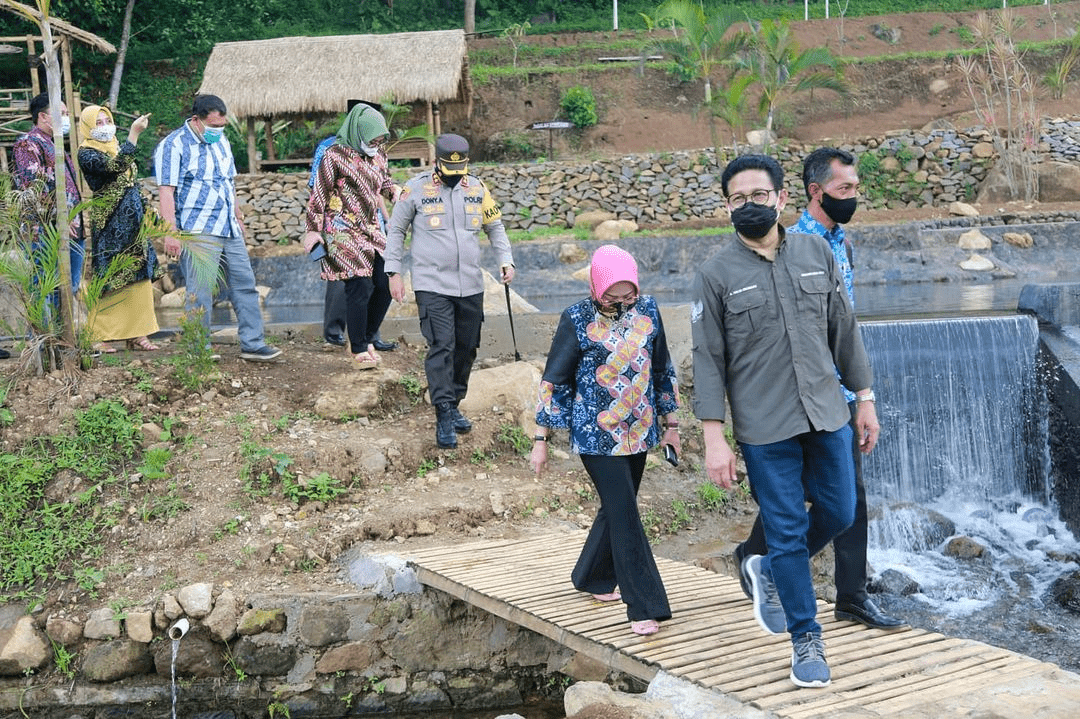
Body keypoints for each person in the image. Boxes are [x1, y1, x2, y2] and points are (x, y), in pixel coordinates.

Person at [691, 153, 880, 688]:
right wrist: (714, 438)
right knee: (788, 527)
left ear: (781, 198)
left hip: (826, 411)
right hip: (764, 426)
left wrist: (864, 398)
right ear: (727, 206)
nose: (749, 205)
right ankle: (806, 638)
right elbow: (708, 359)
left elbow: (844, 331)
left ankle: (769, 566)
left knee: (840, 511)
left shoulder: (817, 252)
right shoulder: (716, 274)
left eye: (758, 195)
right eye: (737, 198)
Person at [733, 147, 907, 632]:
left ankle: (841, 590)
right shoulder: (790, 244)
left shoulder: (841, 242)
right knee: (808, 491)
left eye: (854, 188)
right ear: (815, 192)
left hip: (838, 397)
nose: (852, 197)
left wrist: (861, 395)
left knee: (844, 495)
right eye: (843, 190)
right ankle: (764, 561)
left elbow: (842, 327)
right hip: (795, 396)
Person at [530, 244, 680, 637]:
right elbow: (555, 379)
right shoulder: (576, 318)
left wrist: (672, 425)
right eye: (612, 296)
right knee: (626, 515)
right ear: (596, 287)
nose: (620, 303)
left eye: (627, 295)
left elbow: (662, 368)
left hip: (640, 430)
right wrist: (541, 438)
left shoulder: (648, 310)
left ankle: (593, 577)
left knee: (618, 506)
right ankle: (644, 605)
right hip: (596, 435)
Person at [385, 133, 515, 449]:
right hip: (432, 284)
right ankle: (443, 412)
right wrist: (394, 272)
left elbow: (495, 227)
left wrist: (506, 260)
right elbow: (396, 231)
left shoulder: (477, 188)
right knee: (441, 344)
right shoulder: (413, 189)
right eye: (449, 169)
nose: (456, 176)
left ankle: (454, 402)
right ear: (437, 162)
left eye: (461, 169)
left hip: (470, 284)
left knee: (467, 347)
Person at [153, 94, 281, 362]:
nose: (218, 131)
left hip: (228, 225)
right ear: (196, 120)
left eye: (222, 125)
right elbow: (166, 191)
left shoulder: (221, 140)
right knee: (200, 290)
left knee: (244, 284)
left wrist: (237, 211)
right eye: (213, 126)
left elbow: (228, 180)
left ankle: (253, 343)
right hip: (197, 228)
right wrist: (170, 232)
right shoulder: (173, 145)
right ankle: (197, 348)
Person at [303, 104, 397, 368]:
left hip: (370, 228)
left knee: (386, 280)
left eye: (381, 140)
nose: (377, 144)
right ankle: (357, 348)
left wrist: (397, 193)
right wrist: (313, 230)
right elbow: (318, 195)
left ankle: (366, 337)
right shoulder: (333, 156)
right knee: (360, 284)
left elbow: (385, 183)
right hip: (341, 229)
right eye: (373, 140)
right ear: (359, 132)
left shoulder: (379, 156)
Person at [77, 105, 161, 353]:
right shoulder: (87, 153)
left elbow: (130, 182)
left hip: (134, 223)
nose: (104, 127)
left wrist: (148, 210)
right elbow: (115, 168)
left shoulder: (115, 146)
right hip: (110, 223)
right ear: (87, 127)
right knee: (111, 277)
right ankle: (100, 335)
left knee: (139, 276)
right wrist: (133, 135)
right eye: (98, 123)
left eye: (107, 121)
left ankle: (138, 333)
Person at [12, 92, 84, 311]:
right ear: (43, 117)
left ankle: (64, 342)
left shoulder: (55, 145)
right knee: (44, 289)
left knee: (67, 290)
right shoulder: (28, 145)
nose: (66, 118)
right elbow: (33, 188)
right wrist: (63, 216)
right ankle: (45, 343)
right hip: (45, 231)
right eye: (61, 113)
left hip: (72, 231)